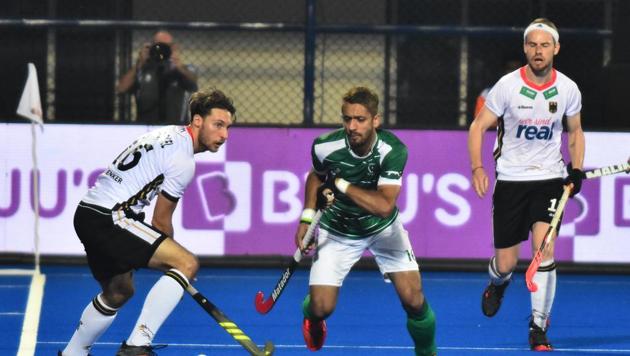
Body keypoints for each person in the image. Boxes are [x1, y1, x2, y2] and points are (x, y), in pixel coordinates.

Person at [59, 90, 235, 356]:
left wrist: (171, 264)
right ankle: (137, 344)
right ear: (198, 120)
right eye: (218, 125)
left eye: (228, 127)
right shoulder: (183, 159)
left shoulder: (166, 134)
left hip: (87, 213)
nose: (224, 135)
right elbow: (161, 222)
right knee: (186, 262)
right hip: (111, 216)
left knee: (119, 291)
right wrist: (177, 266)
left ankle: (73, 354)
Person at [468, 18, 585, 351]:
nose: (538, 51)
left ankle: (538, 327)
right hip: (511, 181)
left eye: (544, 45)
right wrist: (477, 166)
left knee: (544, 250)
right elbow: (478, 128)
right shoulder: (506, 86)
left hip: (550, 179)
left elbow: (575, 132)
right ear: (525, 48)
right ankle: (498, 283)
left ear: (556, 49)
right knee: (505, 264)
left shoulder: (568, 88)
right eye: (532, 45)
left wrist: (575, 170)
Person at [295, 86, 437, 355]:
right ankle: (312, 312)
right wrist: (307, 217)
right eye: (347, 119)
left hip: (383, 230)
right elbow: (316, 176)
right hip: (338, 230)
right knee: (322, 307)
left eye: (360, 119)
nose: (352, 126)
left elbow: (384, 206)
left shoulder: (393, 150)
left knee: (414, 300)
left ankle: (427, 352)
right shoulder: (325, 146)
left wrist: (339, 183)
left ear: (375, 120)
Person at [116, 30, 198, 124]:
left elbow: (193, 82)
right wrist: (139, 63)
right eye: (158, 45)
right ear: (151, 47)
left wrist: (178, 64)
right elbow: (121, 88)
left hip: (177, 128)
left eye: (167, 46)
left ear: (173, 47)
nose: (162, 50)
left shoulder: (182, 70)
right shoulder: (142, 69)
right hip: (145, 127)